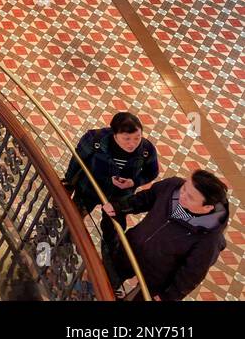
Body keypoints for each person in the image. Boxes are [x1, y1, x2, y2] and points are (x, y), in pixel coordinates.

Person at [102, 169, 230, 301]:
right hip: (129, 250)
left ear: (207, 208)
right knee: (105, 279)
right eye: (185, 188)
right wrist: (120, 206)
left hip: (157, 278)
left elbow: (191, 274)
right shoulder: (172, 186)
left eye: (190, 197)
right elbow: (146, 198)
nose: (182, 195)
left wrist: (168, 296)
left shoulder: (209, 239)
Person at [63, 111, 159, 258]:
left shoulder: (146, 150)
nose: (132, 143)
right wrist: (69, 182)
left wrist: (134, 182)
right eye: (126, 139)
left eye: (137, 138)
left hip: (120, 198)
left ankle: (109, 265)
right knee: (73, 218)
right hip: (89, 189)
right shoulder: (95, 140)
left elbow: (151, 172)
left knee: (114, 231)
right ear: (114, 134)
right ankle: (64, 247)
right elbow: (77, 161)